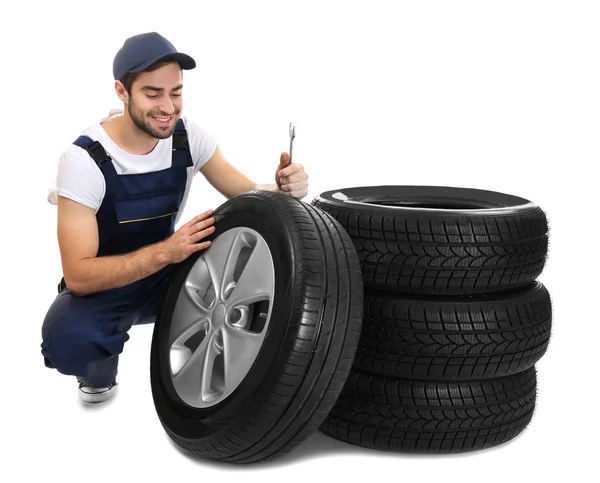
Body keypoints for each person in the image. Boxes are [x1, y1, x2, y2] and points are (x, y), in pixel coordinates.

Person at [40, 32, 309, 404]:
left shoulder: (188, 137)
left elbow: (248, 195)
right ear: (122, 91)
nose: (168, 106)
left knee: (248, 248)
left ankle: (217, 364)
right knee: (69, 341)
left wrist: (283, 189)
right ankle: (99, 370)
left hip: (170, 273)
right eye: (153, 94)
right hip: (105, 284)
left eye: (176, 92)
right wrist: (166, 252)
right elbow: (80, 276)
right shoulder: (84, 161)